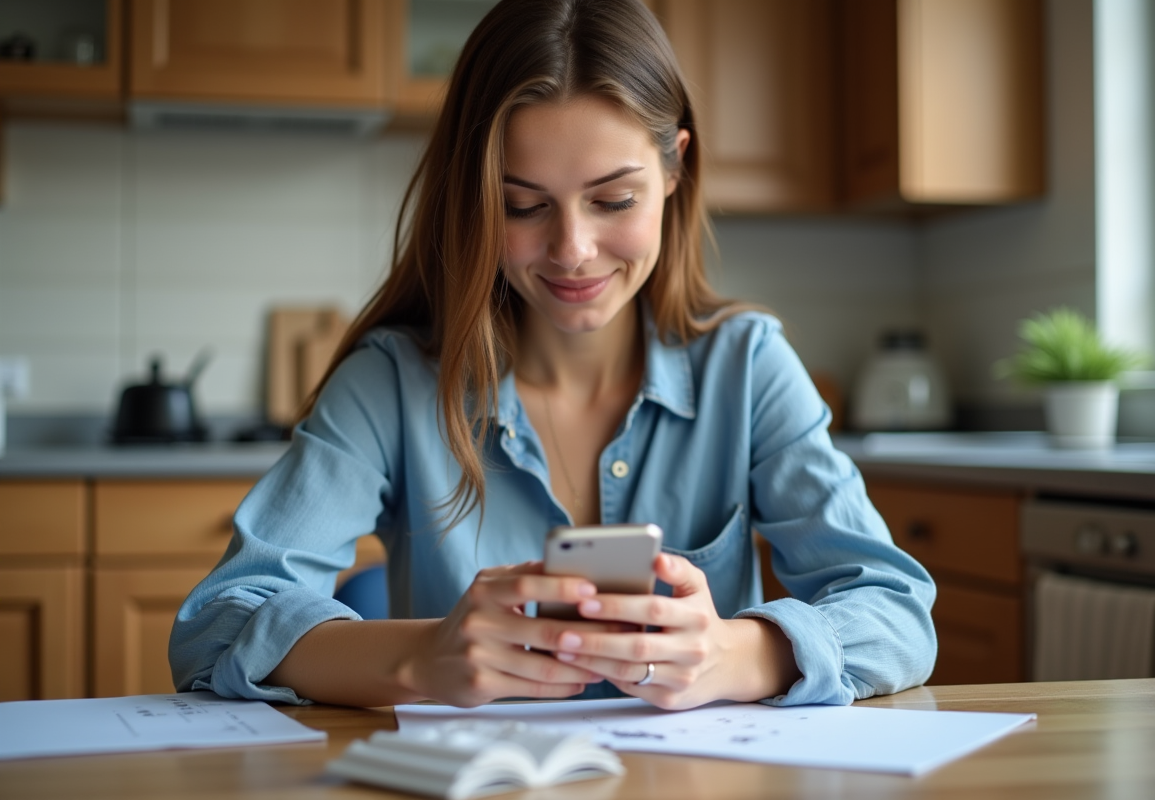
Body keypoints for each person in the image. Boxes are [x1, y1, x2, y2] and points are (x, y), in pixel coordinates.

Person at [169, 0, 936, 711]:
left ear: (674, 169)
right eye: (522, 205)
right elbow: (214, 626)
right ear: (474, 199)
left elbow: (896, 611)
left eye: (613, 199)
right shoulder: (392, 383)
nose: (572, 250)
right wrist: (420, 657)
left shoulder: (748, 367)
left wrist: (739, 653)